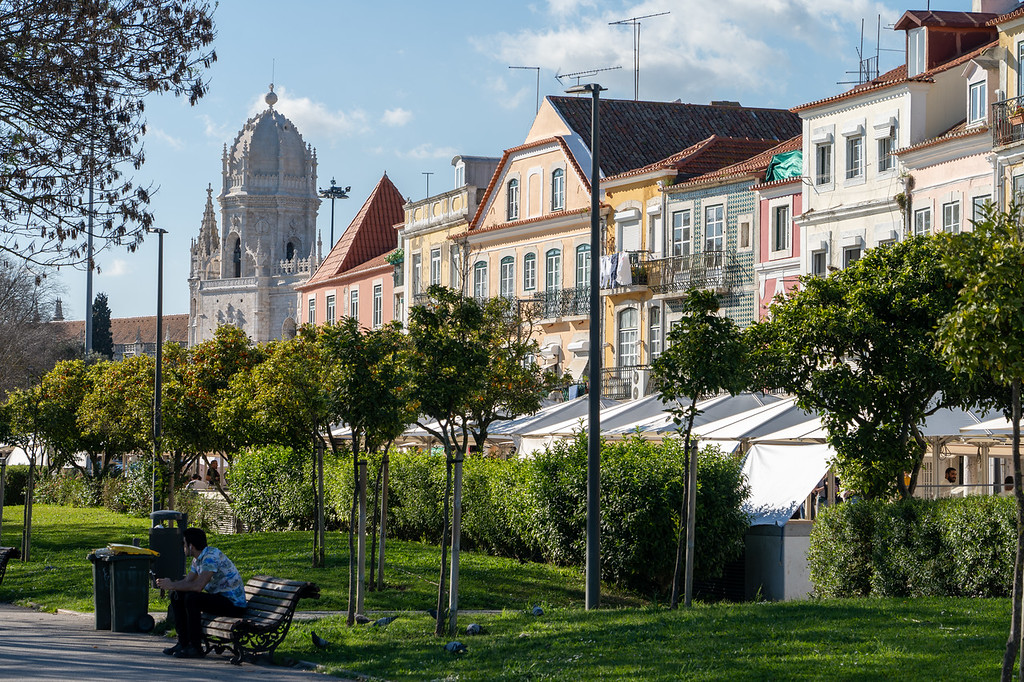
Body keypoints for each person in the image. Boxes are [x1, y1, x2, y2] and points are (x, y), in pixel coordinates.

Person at [155, 528, 246, 659]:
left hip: (233, 605)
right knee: (177, 595)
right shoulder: (198, 559)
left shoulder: (210, 558)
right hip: (220, 599)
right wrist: (172, 586)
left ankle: (196, 647)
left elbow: (198, 587)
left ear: (191, 546)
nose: (183, 547)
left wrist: (172, 585)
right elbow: (187, 582)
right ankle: (183, 643)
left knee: (193, 599)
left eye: (184, 544)